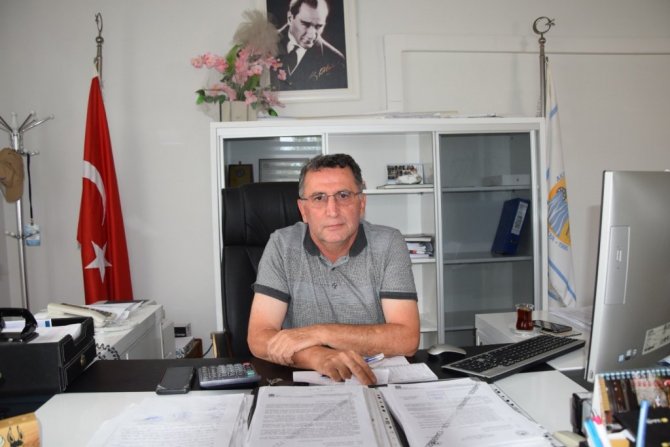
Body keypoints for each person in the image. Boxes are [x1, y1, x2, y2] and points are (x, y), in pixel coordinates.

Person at [247, 154, 420, 385]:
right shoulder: (281, 245)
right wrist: (317, 356)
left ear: (362, 203)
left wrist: (320, 333)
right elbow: (259, 338)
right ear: (303, 210)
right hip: (301, 383)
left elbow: (407, 340)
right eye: (319, 198)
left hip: (370, 378)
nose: (332, 210)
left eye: (343, 195)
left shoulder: (389, 243)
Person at [270, 0, 348, 91]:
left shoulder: (336, 60)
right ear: (290, 18)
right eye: (305, 24)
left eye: (319, 26)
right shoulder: (263, 45)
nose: (311, 35)